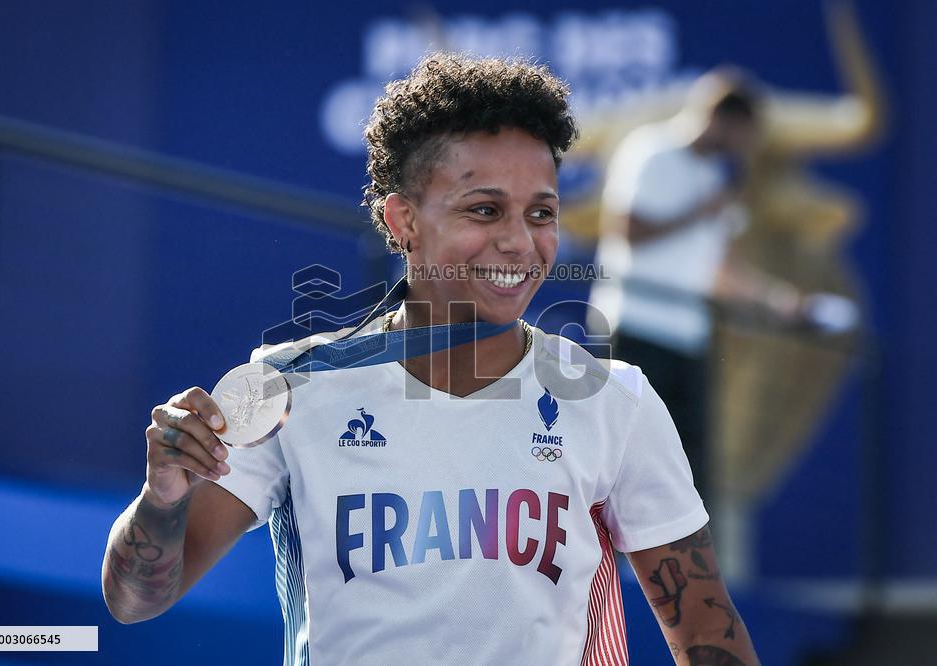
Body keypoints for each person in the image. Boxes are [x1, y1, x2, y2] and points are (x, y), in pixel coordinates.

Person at [101, 53, 759, 665]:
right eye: (484, 209)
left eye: (541, 212)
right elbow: (135, 602)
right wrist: (161, 502)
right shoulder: (289, 388)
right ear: (403, 220)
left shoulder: (616, 401)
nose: (519, 242)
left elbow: (706, 635)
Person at [588, 69, 806, 497]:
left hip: (689, 341)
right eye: (744, 133)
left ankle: (678, 567)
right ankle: (607, 567)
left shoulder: (713, 179)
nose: (746, 146)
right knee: (623, 469)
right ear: (722, 120)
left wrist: (781, 302)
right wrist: (699, 211)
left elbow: (717, 272)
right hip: (634, 332)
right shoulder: (650, 151)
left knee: (685, 475)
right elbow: (624, 229)